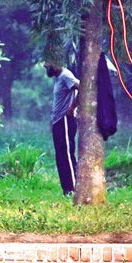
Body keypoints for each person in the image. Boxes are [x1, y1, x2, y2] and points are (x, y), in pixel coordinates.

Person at [44, 60, 80, 195]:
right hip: (58, 122)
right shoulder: (58, 78)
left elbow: (81, 88)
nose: (45, 65)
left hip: (66, 120)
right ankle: (66, 190)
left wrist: (73, 107)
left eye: (47, 62)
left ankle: (74, 189)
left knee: (67, 155)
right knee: (60, 156)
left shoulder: (66, 75)